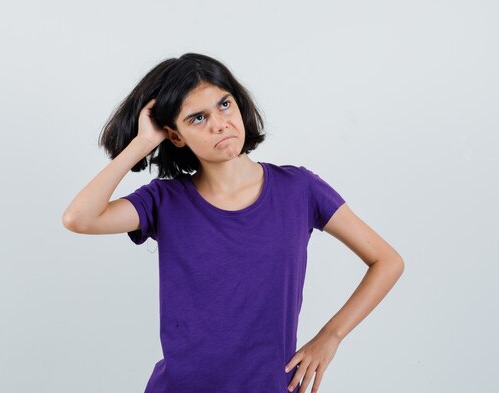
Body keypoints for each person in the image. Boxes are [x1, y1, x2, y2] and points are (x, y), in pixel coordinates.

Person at [61, 53, 404, 393]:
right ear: (175, 136)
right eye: (197, 118)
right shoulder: (163, 201)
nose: (219, 123)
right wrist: (143, 143)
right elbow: (80, 218)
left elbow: (387, 261)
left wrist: (331, 337)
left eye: (224, 105)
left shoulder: (299, 189)